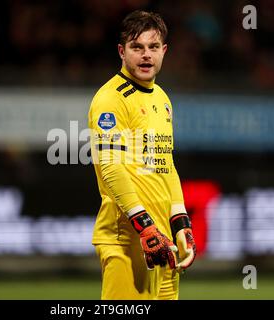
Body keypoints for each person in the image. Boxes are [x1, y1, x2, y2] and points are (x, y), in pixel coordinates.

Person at [88, 10, 196, 300]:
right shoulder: (110, 99)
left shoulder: (161, 98)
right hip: (127, 238)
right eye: (137, 47)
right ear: (122, 52)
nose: (146, 55)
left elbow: (165, 163)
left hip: (162, 241)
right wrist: (144, 226)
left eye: (153, 47)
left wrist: (180, 222)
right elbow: (111, 168)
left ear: (164, 51)